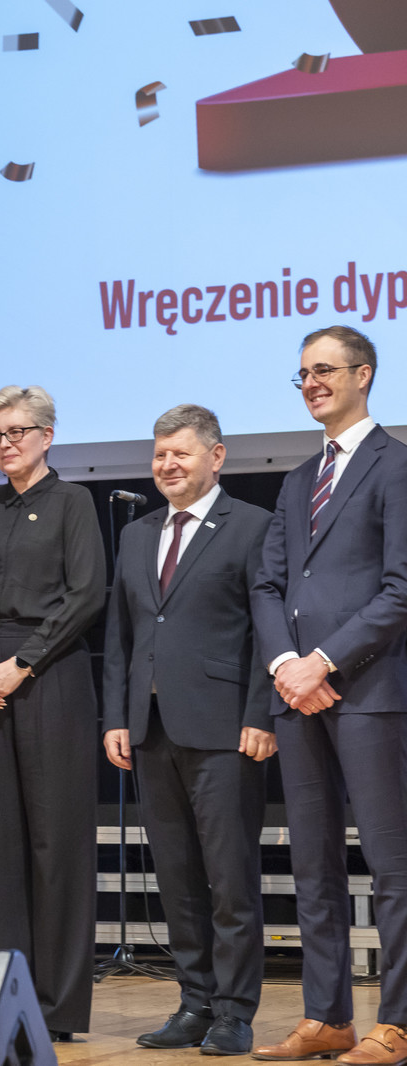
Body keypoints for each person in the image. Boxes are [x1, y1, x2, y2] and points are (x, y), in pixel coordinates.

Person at [249, 326, 407, 1066]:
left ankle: (397, 1023)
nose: (311, 383)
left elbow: (400, 590)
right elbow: (268, 584)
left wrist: (323, 662)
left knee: (392, 865)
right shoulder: (296, 479)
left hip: (369, 692)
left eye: (324, 370)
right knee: (313, 866)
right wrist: (287, 664)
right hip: (298, 696)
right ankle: (327, 1018)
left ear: (362, 375)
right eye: (303, 374)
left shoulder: (396, 466)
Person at [101, 404, 274, 1056]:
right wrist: (116, 717)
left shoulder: (253, 527)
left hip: (225, 730)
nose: (167, 465)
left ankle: (234, 1013)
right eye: (159, 455)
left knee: (229, 882)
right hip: (151, 732)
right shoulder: (137, 535)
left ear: (216, 457)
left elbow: (269, 633)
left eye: (181, 453)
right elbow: (120, 636)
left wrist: (261, 715)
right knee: (176, 880)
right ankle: (195, 1003)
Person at [0, 385, 104, 1040]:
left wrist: (24, 662)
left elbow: (86, 594)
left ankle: (56, 1008)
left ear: (46, 436)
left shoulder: (72, 502)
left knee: (54, 841)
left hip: (48, 673)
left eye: (16, 432)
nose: (5, 444)